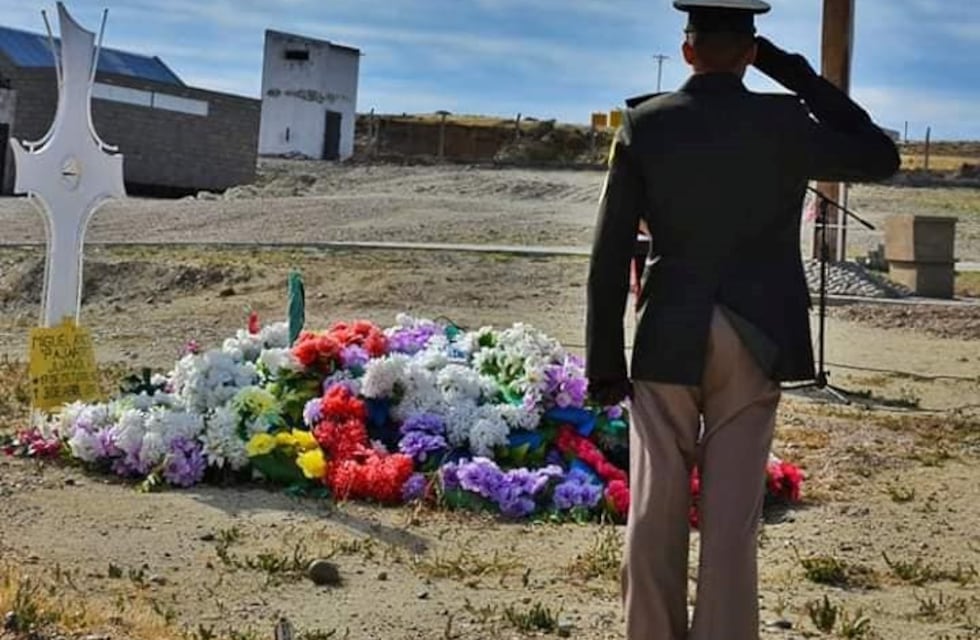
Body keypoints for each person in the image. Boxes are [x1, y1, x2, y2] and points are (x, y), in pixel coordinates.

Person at [584, 1, 900, 639]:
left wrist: (604, 360)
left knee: (654, 507)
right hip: (755, 333)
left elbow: (610, 249)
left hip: (668, 330)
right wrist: (792, 71)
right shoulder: (783, 123)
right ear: (750, 52)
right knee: (731, 523)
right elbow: (879, 155)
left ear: (687, 50)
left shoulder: (646, 125)